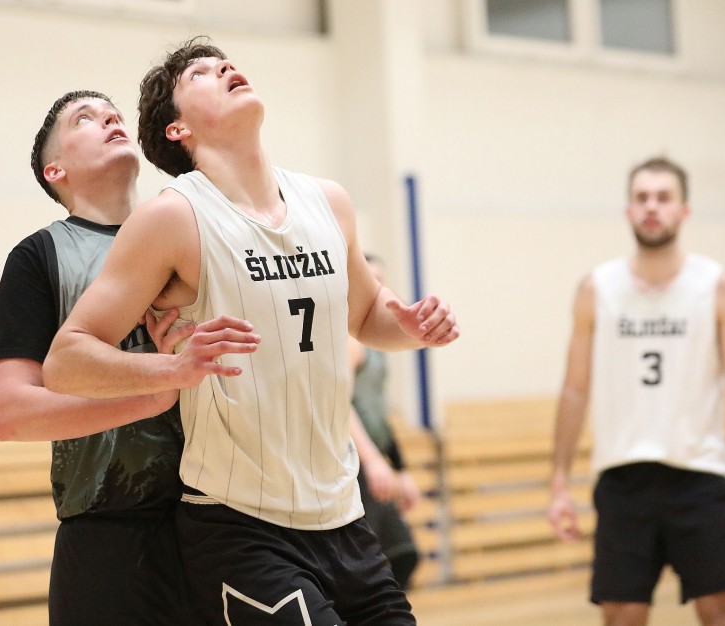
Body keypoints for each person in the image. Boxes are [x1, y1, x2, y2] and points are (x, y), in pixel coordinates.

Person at [42, 37, 459, 625]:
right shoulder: (173, 216)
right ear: (177, 130)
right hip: (241, 527)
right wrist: (171, 369)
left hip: (344, 516)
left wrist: (412, 325)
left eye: (226, 63)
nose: (225, 68)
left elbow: (368, 315)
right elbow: (66, 360)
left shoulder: (328, 202)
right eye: (200, 74)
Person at [0, 90, 194, 626]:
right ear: (56, 171)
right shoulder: (39, 257)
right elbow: (8, 413)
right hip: (107, 536)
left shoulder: (191, 231)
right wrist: (149, 395)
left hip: (218, 522)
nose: (110, 118)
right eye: (85, 119)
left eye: (113, 113)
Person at [549, 156, 725, 626]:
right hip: (623, 478)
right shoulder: (597, 287)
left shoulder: (715, 285)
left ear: (684, 210)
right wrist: (559, 481)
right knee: (622, 615)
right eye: (642, 197)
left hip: (701, 474)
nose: (652, 207)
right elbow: (575, 390)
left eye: (664, 198)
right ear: (628, 209)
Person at [349, 254, 421, 589]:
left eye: (381, 280)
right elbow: (341, 405)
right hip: (354, 462)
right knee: (373, 563)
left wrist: (400, 468)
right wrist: (372, 461)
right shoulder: (350, 342)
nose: (377, 287)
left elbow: (378, 414)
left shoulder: (377, 344)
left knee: (401, 555)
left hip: (374, 458)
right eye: (371, 279)